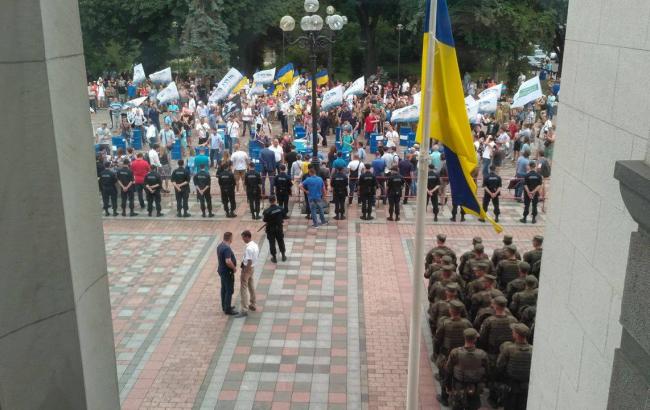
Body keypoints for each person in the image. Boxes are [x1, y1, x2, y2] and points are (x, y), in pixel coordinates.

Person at [434, 300, 473, 407]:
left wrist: (437, 353)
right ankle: (459, 398)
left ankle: (444, 398)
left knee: (445, 376)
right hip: (463, 356)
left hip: (447, 355)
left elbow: (437, 340)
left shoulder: (445, 323)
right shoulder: (467, 323)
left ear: (450, 310)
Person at [445, 328, 489, 410]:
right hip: (475, 387)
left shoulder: (455, 352)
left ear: (464, 338)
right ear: (475, 339)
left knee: (457, 406)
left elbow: (448, 371)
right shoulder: (482, 354)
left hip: (459, 386)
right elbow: (487, 372)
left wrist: (448, 386)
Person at [496, 323, 533, 410]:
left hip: (511, 386)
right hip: (526, 386)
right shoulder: (532, 349)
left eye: (513, 331)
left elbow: (499, 365)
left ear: (516, 335)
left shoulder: (508, 349)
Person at [237, 230, 259, 318]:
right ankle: (253, 303)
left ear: (247, 237)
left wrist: (244, 271)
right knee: (251, 285)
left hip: (247, 269)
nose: (243, 239)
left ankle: (244, 309)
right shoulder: (255, 245)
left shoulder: (249, 248)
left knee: (243, 289)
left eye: (243, 238)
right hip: (252, 268)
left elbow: (249, 261)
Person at [217, 232, 238, 316]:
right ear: (230, 238)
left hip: (221, 270)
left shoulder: (220, 246)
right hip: (227, 272)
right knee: (229, 290)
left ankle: (224, 306)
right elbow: (228, 261)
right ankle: (228, 309)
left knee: (224, 289)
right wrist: (234, 268)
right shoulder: (226, 249)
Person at [263, 196, 287, 263]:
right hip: (279, 228)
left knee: (272, 243)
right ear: (275, 200)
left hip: (271, 229)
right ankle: (283, 256)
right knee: (280, 241)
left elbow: (265, 220)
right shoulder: (280, 209)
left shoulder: (267, 211)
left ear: (269, 201)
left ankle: (274, 257)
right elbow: (284, 216)